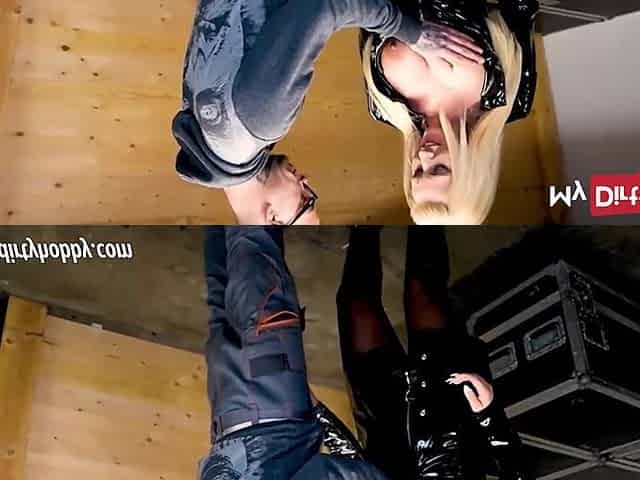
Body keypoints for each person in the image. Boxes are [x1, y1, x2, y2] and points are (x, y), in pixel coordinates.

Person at [172, 0, 485, 225]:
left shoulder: (257, 123)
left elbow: (328, 5)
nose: (307, 182)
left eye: (306, 202)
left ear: (274, 218)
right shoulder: (206, 127)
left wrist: (414, 34)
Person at [198, 226, 392, 479]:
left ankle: (247, 202)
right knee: (221, 290)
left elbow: (342, 473)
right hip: (227, 419)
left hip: (272, 401)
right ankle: (216, 210)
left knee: (256, 249)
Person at [335, 226, 528, 479]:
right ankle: (428, 212)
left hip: (387, 426)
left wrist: (314, 411)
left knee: (356, 304)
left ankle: (364, 227)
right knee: (424, 287)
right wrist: (491, 419)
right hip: (450, 418)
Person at [360, 0, 540, 224]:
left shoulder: (384, 108)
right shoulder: (514, 100)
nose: (423, 157)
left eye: (418, 171)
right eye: (439, 169)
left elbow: (361, 13)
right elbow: (521, 8)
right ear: (472, 174)